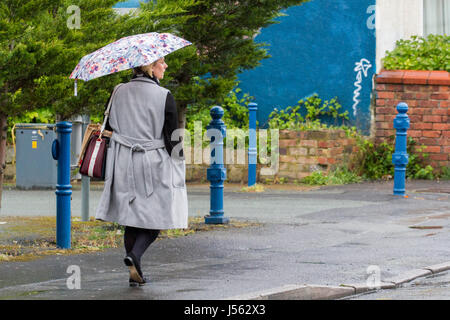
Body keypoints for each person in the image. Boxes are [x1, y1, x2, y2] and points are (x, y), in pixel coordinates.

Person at [95, 57, 188, 287]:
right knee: (156, 217)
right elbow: (171, 138)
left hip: (123, 162)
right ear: (150, 67)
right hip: (153, 163)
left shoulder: (118, 91)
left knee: (132, 218)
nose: (165, 66)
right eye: (162, 62)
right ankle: (134, 256)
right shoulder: (164, 95)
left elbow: (107, 128)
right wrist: (180, 163)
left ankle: (134, 272)